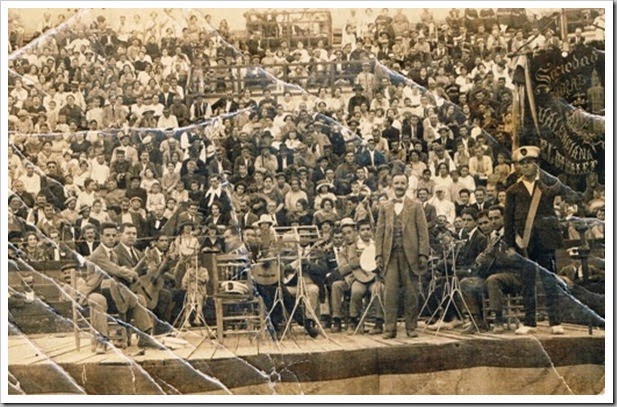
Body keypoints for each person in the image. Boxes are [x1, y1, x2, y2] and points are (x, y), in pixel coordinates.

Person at [504, 146, 574, 335]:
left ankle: (555, 322)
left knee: (549, 281)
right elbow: (508, 220)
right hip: (523, 244)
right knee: (527, 283)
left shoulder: (547, 186)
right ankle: (530, 322)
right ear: (518, 167)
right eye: (522, 164)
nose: (526, 167)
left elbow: (563, 189)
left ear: (536, 164)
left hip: (545, 242)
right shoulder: (513, 191)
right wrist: (509, 245)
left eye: (530, 163)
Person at [375, 173, 430, 338]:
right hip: (390, 254)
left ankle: (411, 328)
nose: (399, 186)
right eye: (396, 183)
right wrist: (378, 255)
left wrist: (423, 254)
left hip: (410, 255)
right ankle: (390, 329)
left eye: (402, 183)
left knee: (411, 292)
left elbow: (423, 231)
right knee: (390, 293)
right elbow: (379, 233)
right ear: (392, 185)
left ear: (407, 185)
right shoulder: (385, 206)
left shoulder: (415, 206)